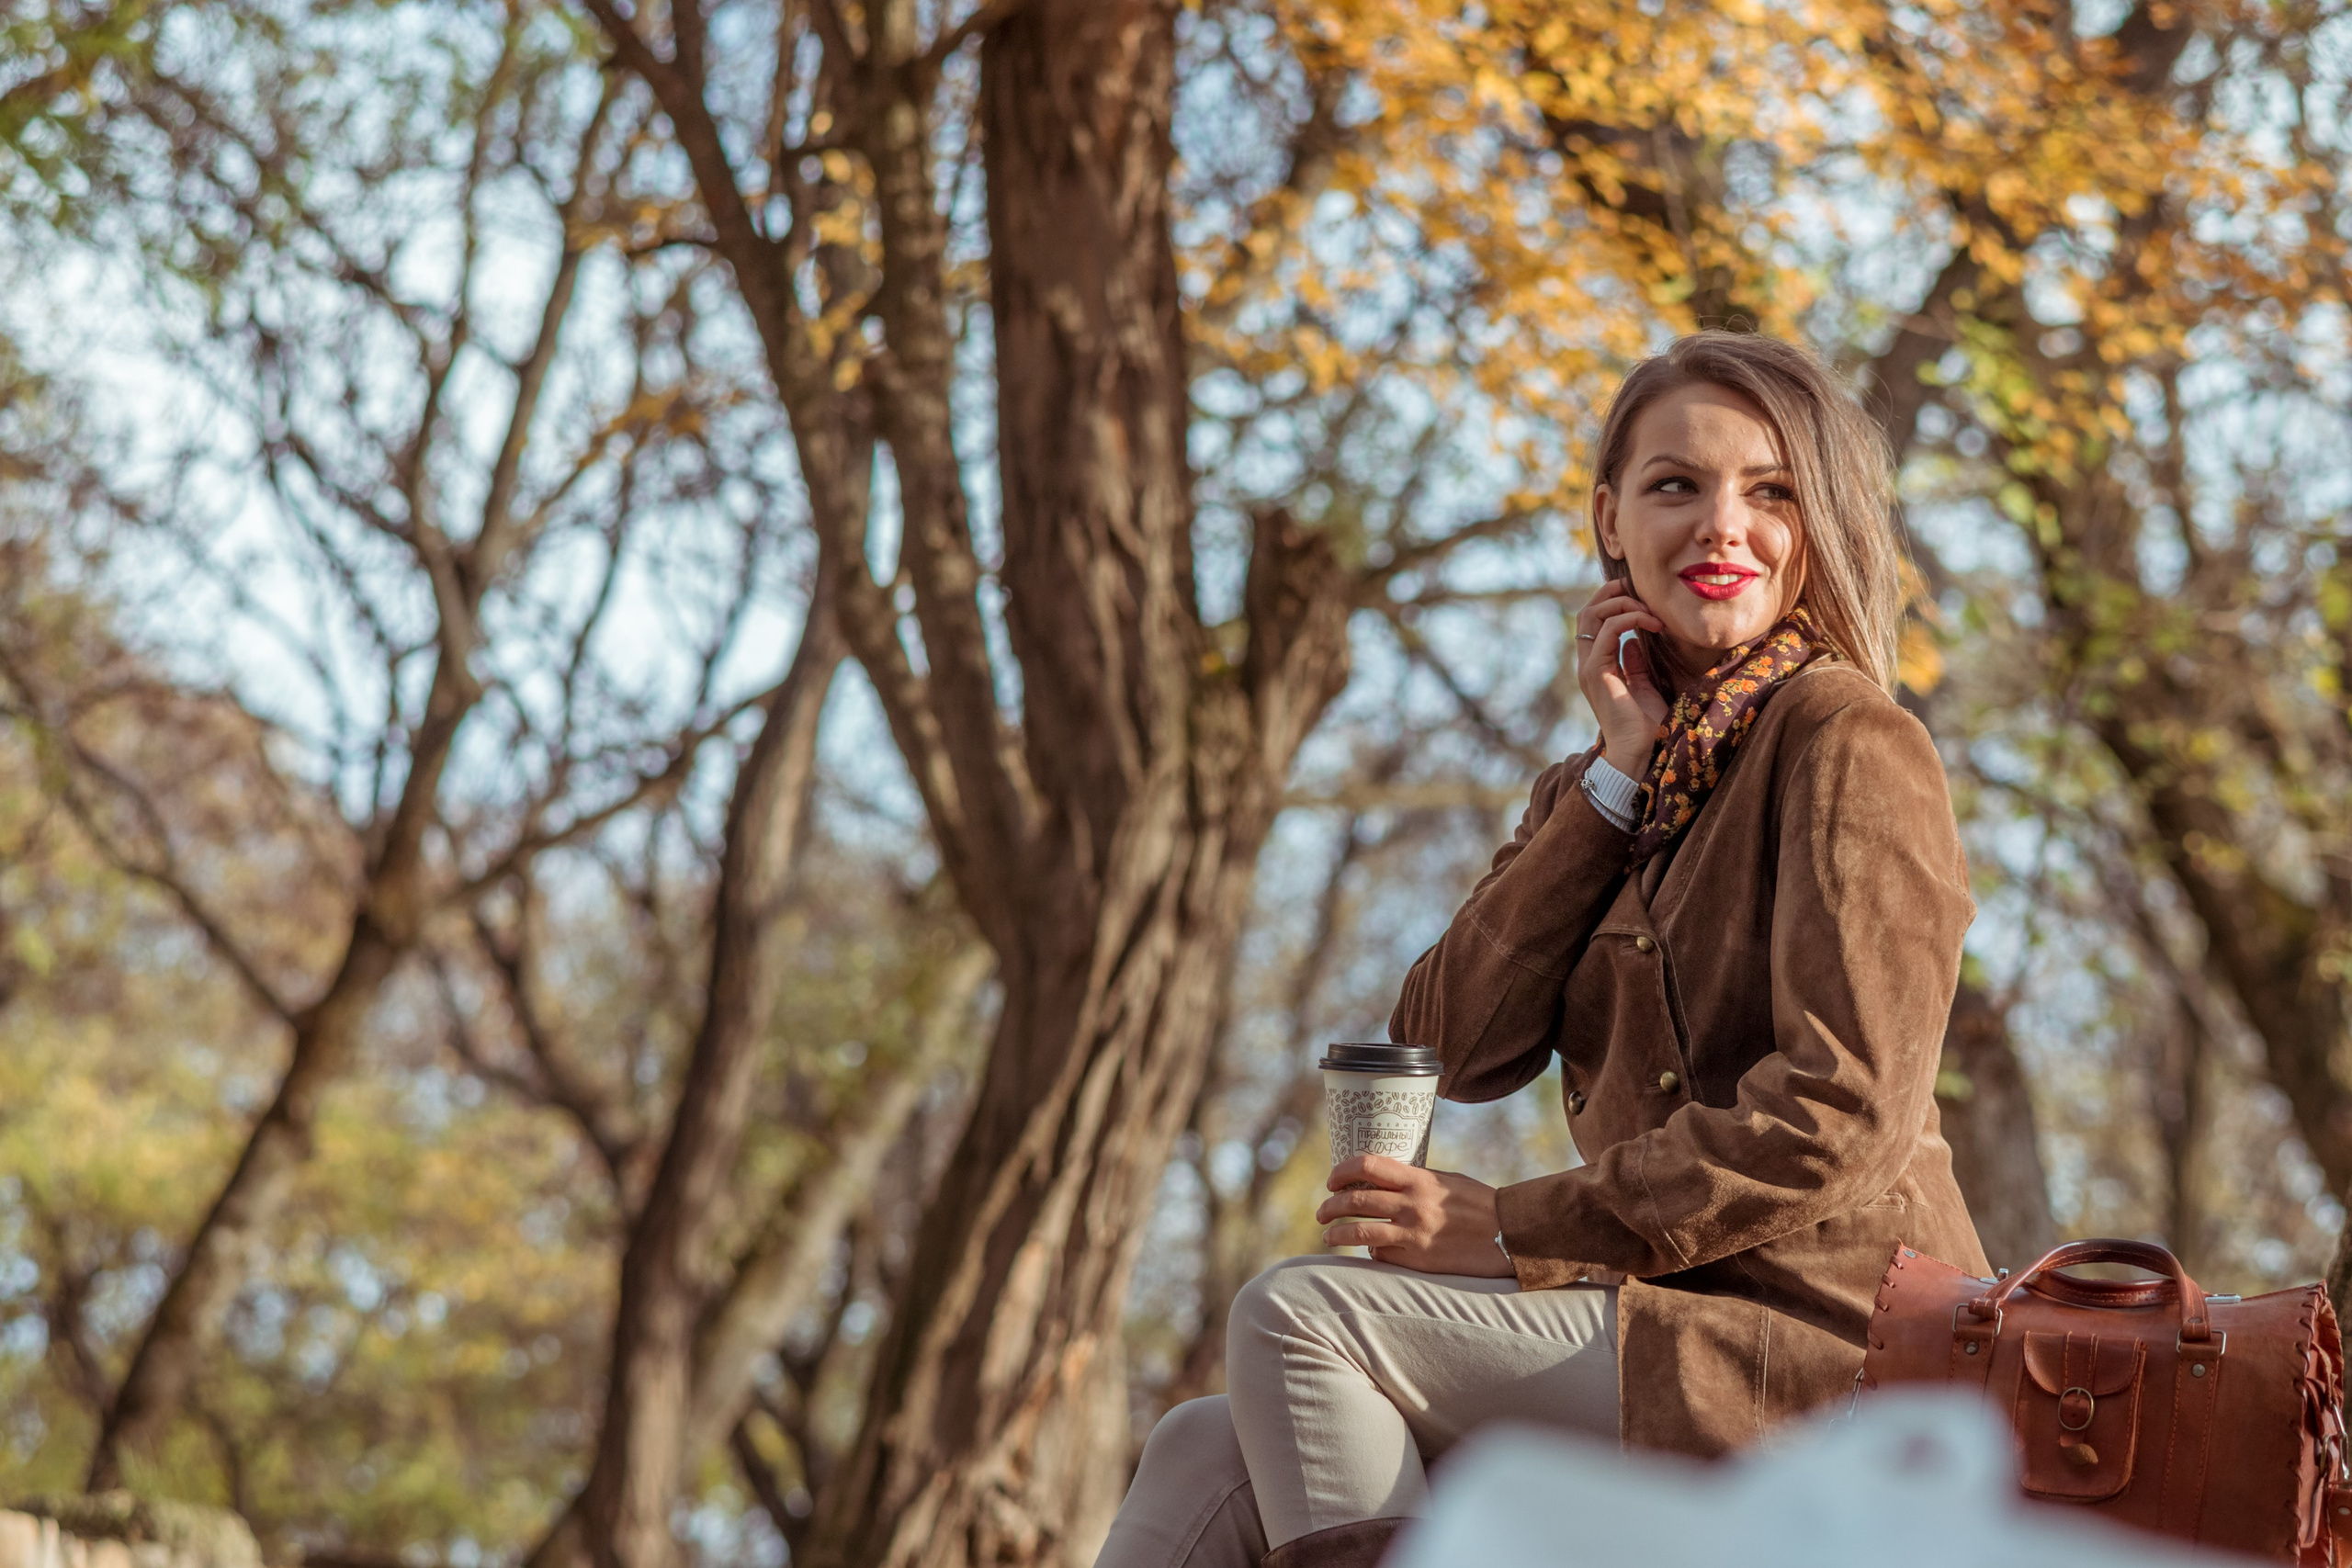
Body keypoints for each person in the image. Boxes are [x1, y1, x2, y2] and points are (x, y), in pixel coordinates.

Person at [1093, 331, 1991, 1568]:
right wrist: (1613, 781)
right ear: (1609, 519)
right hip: (1660, 1326)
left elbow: (1839, 1117)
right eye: (1677, 485)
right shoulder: (1611, 785)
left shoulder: (1847, 738)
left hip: (1830, 1348)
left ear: (1816, 523)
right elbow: (1446, 1051)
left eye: (1770, 491)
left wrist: (1512, 1228)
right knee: (1205, 1444)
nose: (1723, 525)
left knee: (1301, 1318)